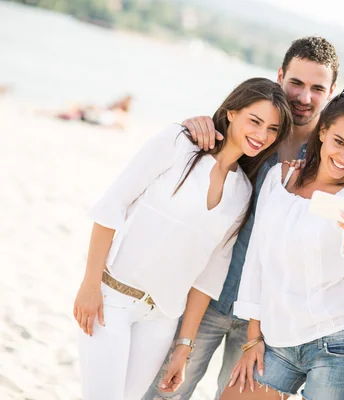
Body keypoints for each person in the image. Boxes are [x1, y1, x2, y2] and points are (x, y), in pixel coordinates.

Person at [144, 36, 339, 400]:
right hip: (204, 298)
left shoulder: (330, 157)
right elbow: (210, 145)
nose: (304, 97)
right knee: (163, 394)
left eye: (317, 88)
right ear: (280, 75)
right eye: (296, 82)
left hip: (265, 322)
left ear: (331, 92)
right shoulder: (251, 134)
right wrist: (198, 124)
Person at [73, 78, 292, 400]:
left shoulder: (242, 192)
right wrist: (90, 284)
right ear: (231, 112)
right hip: (111, 300)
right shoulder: (179, 143)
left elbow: (208, 277)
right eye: (255, 121)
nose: (262, 135)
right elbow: (113, 205)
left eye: (272, 129)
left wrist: (183, 347)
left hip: (160, 319)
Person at [221, 87, 344, 400]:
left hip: (338, 343)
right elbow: (257, 258)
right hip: (278, 338)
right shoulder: (278, 179)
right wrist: (253, 337)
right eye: (339, 142)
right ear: (322, 132)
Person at [55, 94, 133, 129]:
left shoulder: (120, 113)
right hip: (95, 118)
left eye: (120, 101)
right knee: (81, 110)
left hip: (96, 120)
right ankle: (71, 106)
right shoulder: (113, 110)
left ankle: (71, 106)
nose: (118, 101)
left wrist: (106, 127)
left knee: (80, 111)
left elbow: (122, 126)